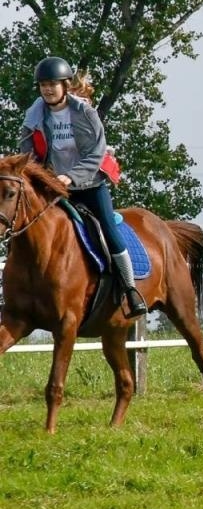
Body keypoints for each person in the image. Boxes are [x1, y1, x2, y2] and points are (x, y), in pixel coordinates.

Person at [19, 56, 146, 316]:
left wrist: (71, 177)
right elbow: (27, 153)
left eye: (53, 84)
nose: (47, 89)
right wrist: (41, 177)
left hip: (89, 184)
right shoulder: (34, 115)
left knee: (108, 229)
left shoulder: (85, 113)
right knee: (26, 225)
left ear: (65, 85)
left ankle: (130, 289)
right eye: (43, 85)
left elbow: (95, 154)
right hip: (53, 187)